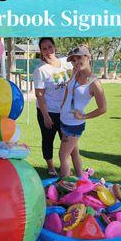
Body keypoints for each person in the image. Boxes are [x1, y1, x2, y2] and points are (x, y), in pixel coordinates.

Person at [59, 45, 107, 177]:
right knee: (74, 153)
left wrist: (84, 116)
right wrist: (63, 105)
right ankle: (81, 180)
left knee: (63, 156)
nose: (76, 62)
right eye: (73, 60)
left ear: (88, 57)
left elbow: (103, 108)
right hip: (64, 120)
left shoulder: (94, 83)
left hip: (74, 125)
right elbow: (69, 88)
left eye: (79, 58)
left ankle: (66, 191)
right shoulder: (76, 73)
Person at [33, 37, 72, 176]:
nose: (48, 50)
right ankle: (50, 167)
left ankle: (65, 166)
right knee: (48, 139)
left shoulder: (66, 62)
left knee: (67, 140)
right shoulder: (40, 70)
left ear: (54, 47)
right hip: (48, 111)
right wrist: (46, 116)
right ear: (41, 52)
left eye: (50, 47)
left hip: (65, 111)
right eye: (44, 48)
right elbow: (39, 95)